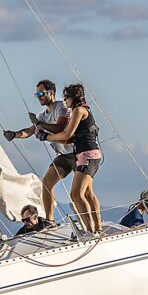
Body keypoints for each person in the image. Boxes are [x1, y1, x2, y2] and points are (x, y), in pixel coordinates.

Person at [2, 79, 76, 221]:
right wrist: (14, 134)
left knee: (79, 192)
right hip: (63, 156)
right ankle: (50, 220)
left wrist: (39, 123)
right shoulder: (42, 116)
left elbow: (60, 127)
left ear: (51, 93)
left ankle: (93, 222)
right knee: (47, 183)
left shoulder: (61, 107)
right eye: (37, 95)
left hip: (76, 152)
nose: (39, 97)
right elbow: (29, 131)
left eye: (41, 93)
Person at [40, 83, 103, 234]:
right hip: (84, 155)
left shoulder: (79, 110)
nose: (65, 101)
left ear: (73, 98)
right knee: (87, 193)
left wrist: (47, 136)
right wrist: (46, 137)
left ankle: (90, 231)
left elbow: (66, 135)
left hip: (88, 156)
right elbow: (66, 139)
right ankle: (97, 229)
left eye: (66, 98)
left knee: (76, 194)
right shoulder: (77, 111)